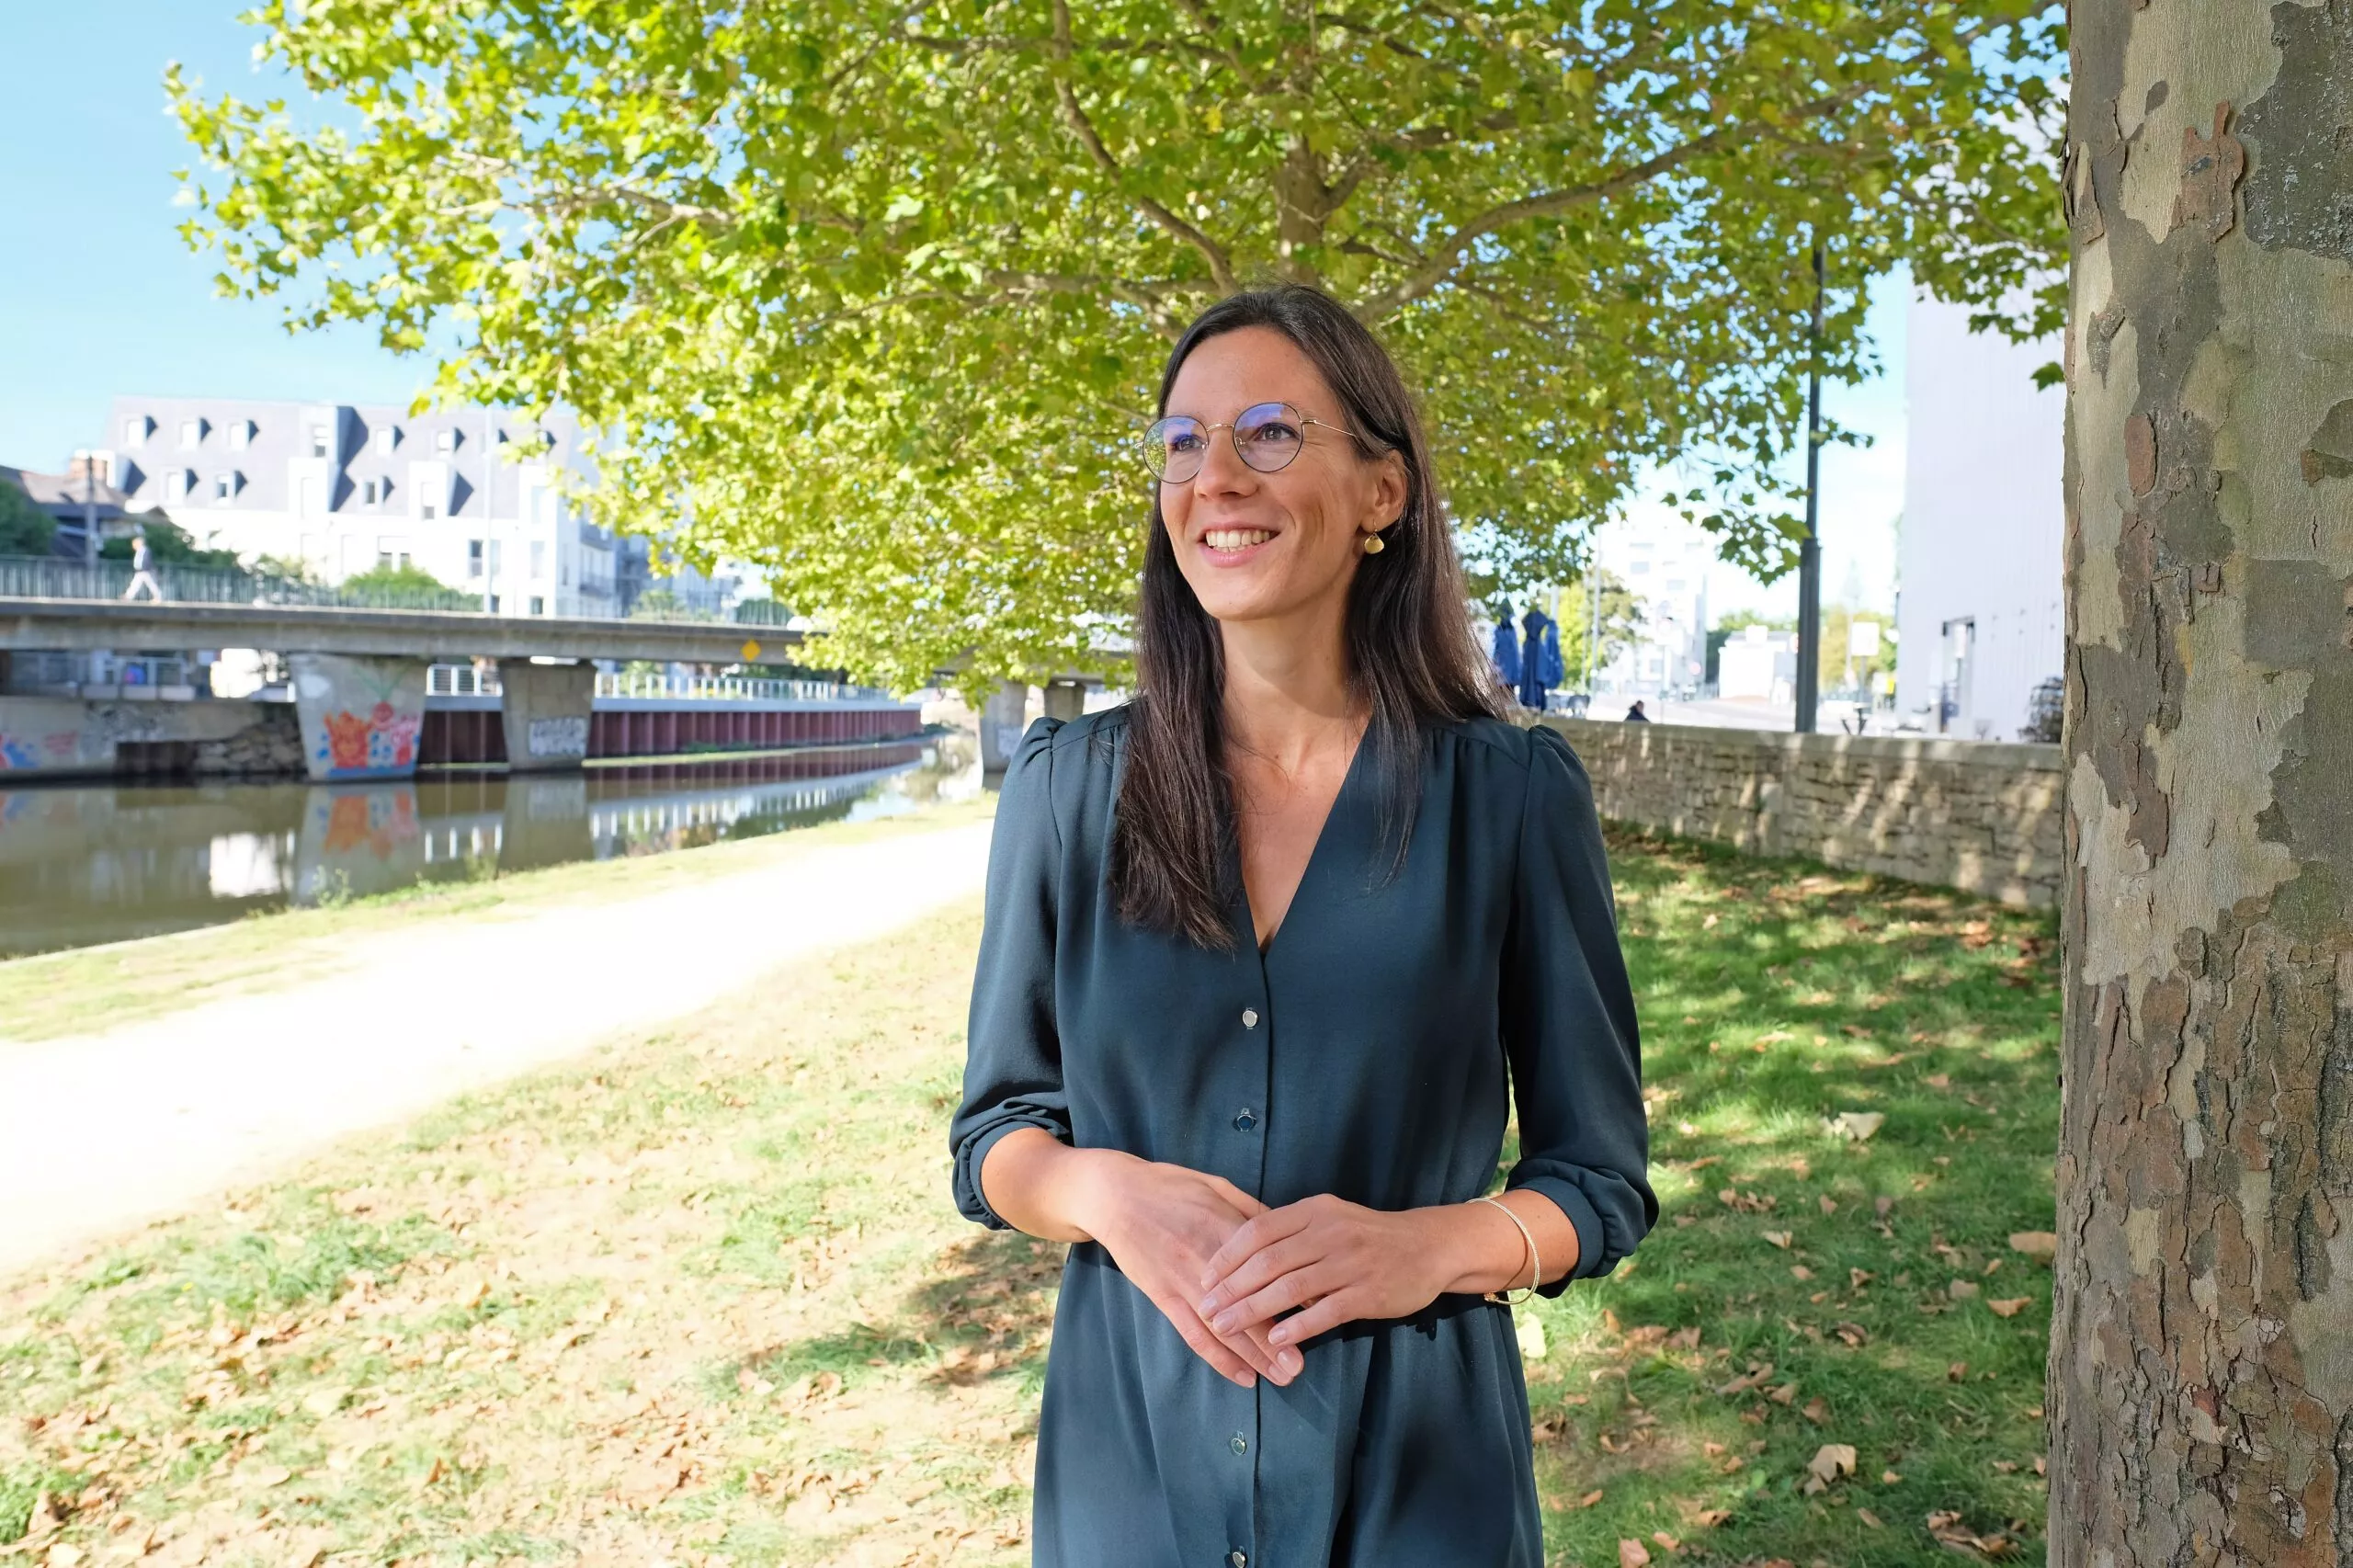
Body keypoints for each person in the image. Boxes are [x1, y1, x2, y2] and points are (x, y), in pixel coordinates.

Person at [950, 285, 1655, 1566]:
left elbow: (1597, 1181)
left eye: (1269, 432)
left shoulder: (1510, 799)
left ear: (1383, 491)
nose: (1214, 475)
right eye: (1182, 440)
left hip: (1420, 1488)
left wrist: (1432, 1245)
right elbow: (996, 1132)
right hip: (1131, 1473)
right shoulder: (1063, 792)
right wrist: (1098, 1188)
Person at [121, 525, 165, 602]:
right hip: (141, 570)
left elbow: (147, 560)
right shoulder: (140, 551)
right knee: (136, 584)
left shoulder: (145, 550)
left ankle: (158, 597)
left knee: (150, 584)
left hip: (145, 570)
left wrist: (145, 568)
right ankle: (128, 596)